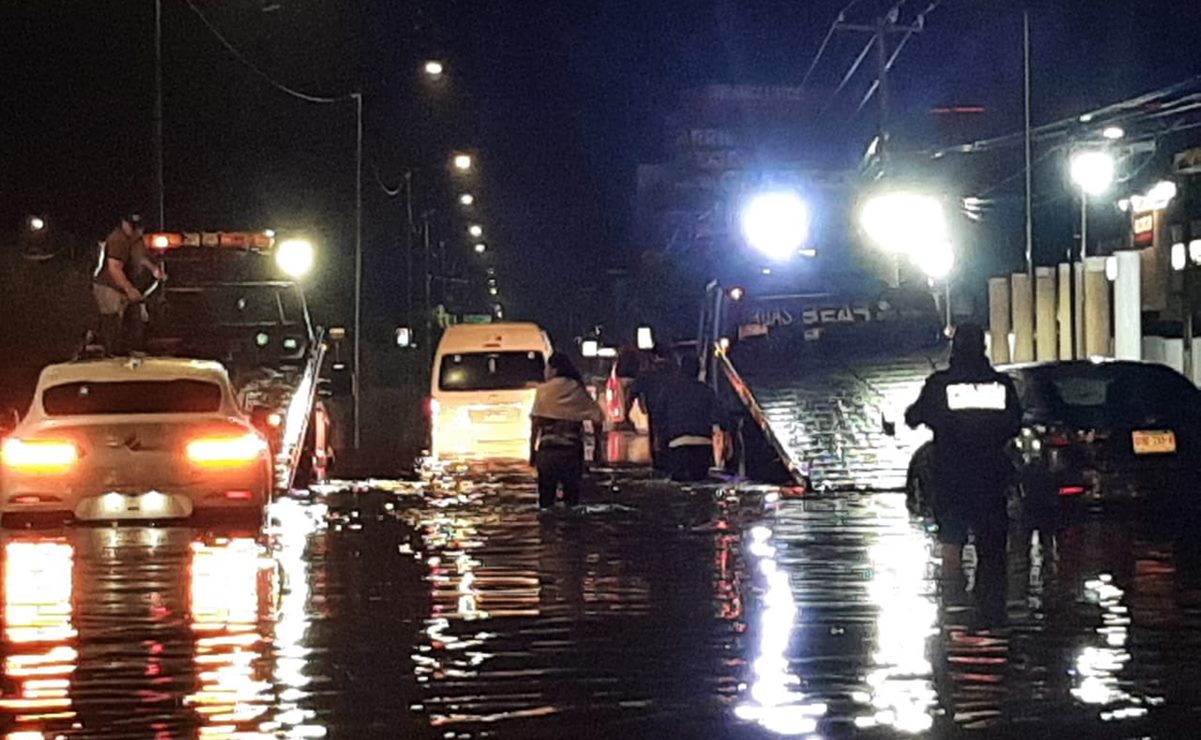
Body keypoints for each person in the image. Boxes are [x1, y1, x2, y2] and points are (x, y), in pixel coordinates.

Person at [905, 323, 1023, 589]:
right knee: (992, 549)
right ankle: (991, 609)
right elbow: (1015, 423)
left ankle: (952, 604)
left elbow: (913, 417)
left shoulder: (940, 384)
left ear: (954, 347)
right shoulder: (1001, 385)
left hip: (951, 476)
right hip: (991, 477)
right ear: (983, 347)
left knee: (951, 544)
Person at [530, 353, 604, 509]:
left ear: (554, 369)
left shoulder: (543, 390)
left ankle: (547, 531)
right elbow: (597, 417)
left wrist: (532, 453)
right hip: (571, 452)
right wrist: (598, 448)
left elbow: (536, 423)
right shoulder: (577, 388)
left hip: (548, 452)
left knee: (546, 503)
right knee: (572, 501)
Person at [92, 213, 164, 355]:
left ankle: (132, 350)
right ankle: (113, 355)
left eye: (139, 227)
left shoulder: (135, 239)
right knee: (113, 321)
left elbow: (140, 256)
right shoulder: (119, 240)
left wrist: (153, 268)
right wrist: (129, 289)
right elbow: (114, 268)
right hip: (110, 287)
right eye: (134, 227)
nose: (138, 230)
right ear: (125, 224)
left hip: (127, 287)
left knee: (134, 319)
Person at [657, 353, 724, 483]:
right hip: (703, 445)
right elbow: (719, 417)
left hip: (677, 445)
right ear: (698, 370)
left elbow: (658, 417)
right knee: (700, 484)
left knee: (680, 487)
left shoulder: (668, 390)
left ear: (681, 369)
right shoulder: (707, 391)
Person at [628, 348, 675, 473]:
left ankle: (659, 464)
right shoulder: (675, 373)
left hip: (655, 411)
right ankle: (666, 462)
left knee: (657, 439)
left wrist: (627, 411)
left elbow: (632, 393)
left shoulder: (647, 374)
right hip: (672, 412)